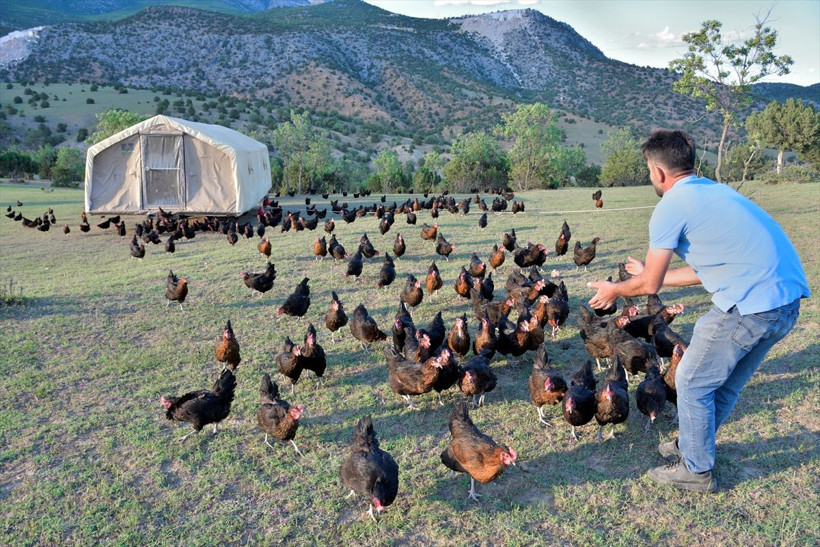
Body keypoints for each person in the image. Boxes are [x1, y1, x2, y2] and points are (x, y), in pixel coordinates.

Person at [587, 129, 810, 493]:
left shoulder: (670, 207)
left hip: (749, 306)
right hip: (784, 303)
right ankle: (693, 446)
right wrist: (649, 274)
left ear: (658, 172)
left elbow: (650, 287)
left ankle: (696, 469)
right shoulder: (716, 192)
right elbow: (699, 268)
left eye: (648, 170)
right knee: (722, 383)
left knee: (691, 380)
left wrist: (616, 289)